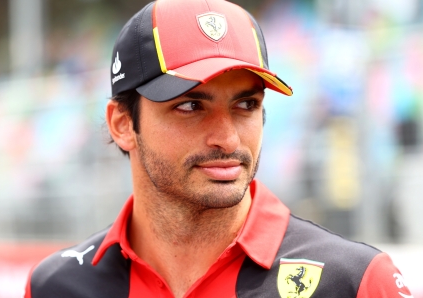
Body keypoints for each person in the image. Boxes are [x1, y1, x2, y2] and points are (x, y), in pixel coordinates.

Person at [24, 0, 413, 297]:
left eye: (246, 105)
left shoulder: (355, 281)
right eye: (191, 106)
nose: (228, 139)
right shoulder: (57, 285)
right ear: (123, 124)